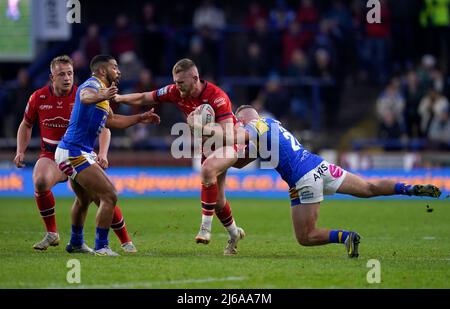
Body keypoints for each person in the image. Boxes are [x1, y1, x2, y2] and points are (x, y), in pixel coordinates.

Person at [232, 105, 441, 258]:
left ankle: (346, 237)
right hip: (319, 165)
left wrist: (211, 135)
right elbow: (240, 163)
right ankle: (409, 188)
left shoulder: (255, 125)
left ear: (242, 120)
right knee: (368, 188)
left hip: (303, 178)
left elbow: (238, 137)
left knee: (306, 236)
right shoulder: (269, 126)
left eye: (236, 120)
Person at [114, 58, 245, 255]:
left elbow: (228, 134)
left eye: (181, 82)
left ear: (195, 78)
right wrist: (118, 99)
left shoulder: (218, 96)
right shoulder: (175, 91)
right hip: (208, 146)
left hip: (231, 142)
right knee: (218, 201)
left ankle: (205, 229)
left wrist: (199, 127)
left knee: (208, 169)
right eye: (175, 81)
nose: (177, 86)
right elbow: (144, 97)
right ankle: (234, 234)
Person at [13, 55, 137, 253]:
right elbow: (26, 124)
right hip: (53, 154)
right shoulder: (39, 97)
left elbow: (106, 124)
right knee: (41, 181)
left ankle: (121, 240)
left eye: (70, 73)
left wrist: (103, 153)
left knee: (95, 197)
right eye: (61, 74)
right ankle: (53, 233)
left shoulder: (85, 91)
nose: (67, 78)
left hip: (79, 151)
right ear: (52, 77)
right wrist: (20, 151)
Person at [55, 55, 160, 256]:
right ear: (103, 71)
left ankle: (76, 243)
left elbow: (112, 121)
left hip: (72, 151)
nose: (118, 71)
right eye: (114, 67)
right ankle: (101, 246)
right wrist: (101, 95)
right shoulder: (92, 85)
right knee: (110, 195)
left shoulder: (101, 95)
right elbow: (85, 96)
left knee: (83, 200)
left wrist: (140, 117)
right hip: (74, 152)